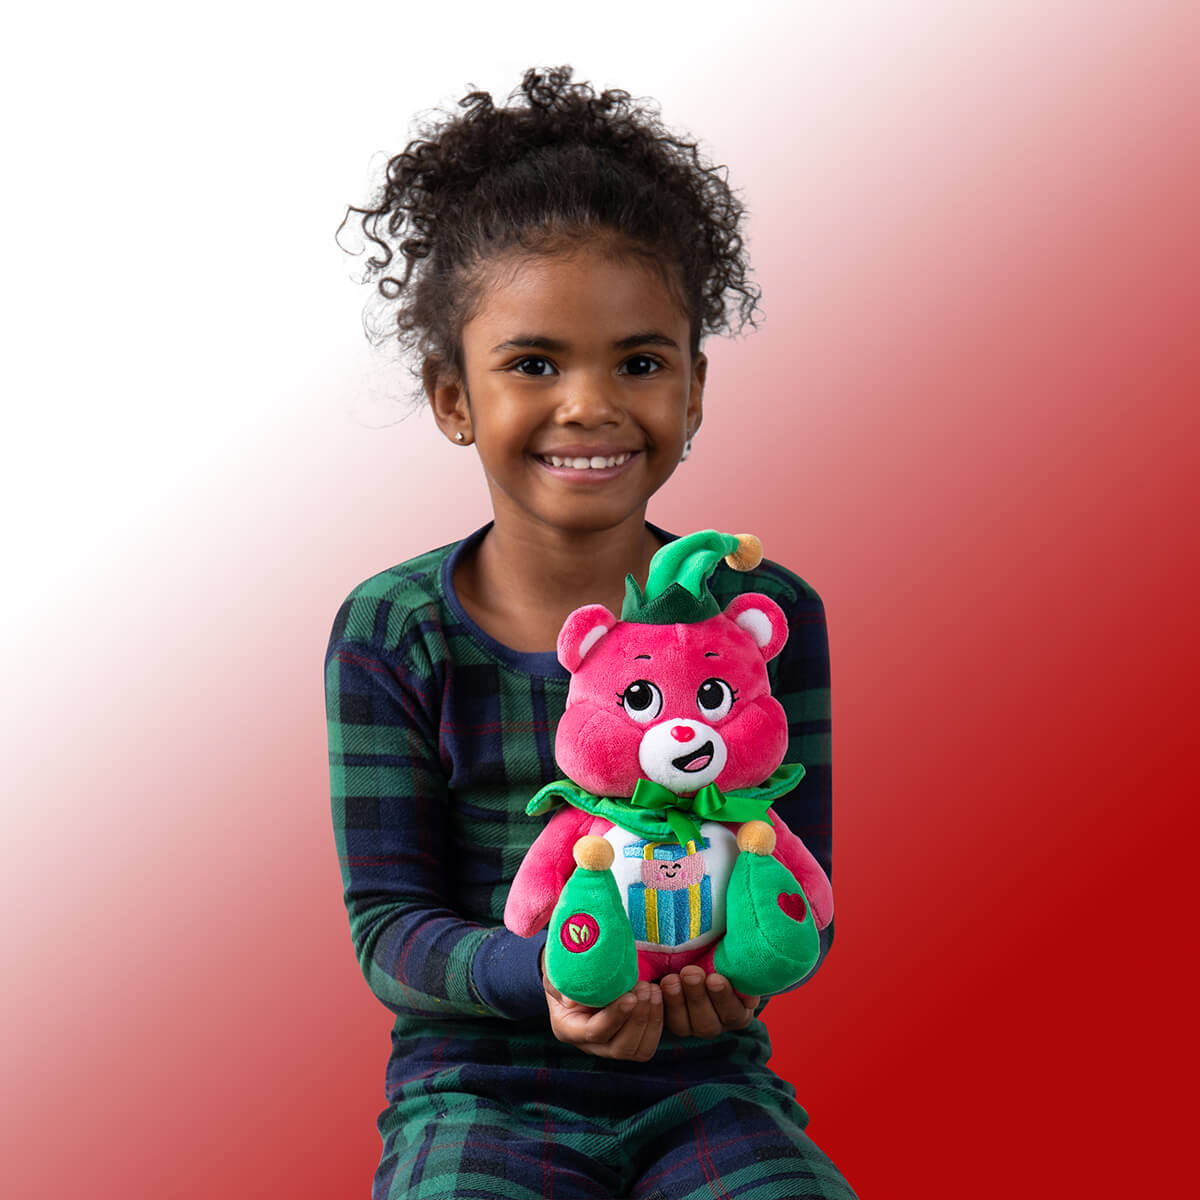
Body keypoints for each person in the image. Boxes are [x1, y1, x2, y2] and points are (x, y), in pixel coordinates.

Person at [326, 66, 856, 1200]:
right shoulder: (395, 630)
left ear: (693, 390)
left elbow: (799, 882)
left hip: (708, 1086)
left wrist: (746, 974)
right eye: (533, 364)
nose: (590, 403)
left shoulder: (768, 618)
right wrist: (556, 977)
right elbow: (389, 930)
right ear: (453, 397)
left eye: (640, 363)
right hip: (478, 1088)